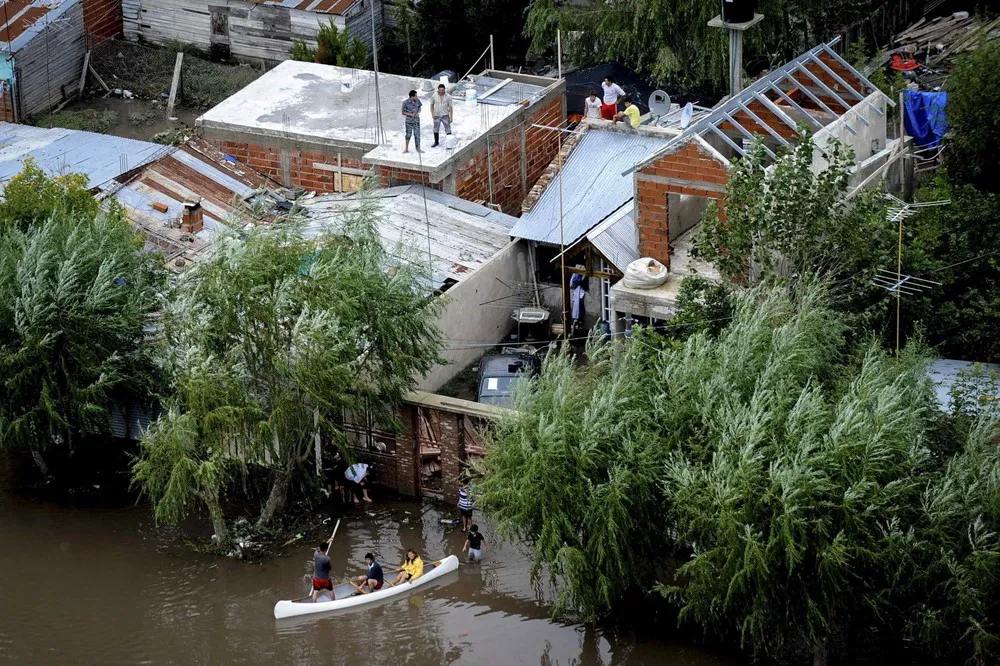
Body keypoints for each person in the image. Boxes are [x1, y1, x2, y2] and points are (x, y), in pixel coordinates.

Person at [430, 83, 453, 148]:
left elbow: (450, 107)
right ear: (438, 90)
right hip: (437, 115)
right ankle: (436, 142)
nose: (441, 92)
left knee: (448, 129)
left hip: (445, 115)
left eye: (443, 90)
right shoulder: (434, 95)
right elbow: (431, 105)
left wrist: (451, 117)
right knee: (436, 129)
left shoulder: (448, 97)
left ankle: (450, 144)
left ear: (444, 90)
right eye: (440, 90)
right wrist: (432, 114)